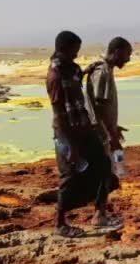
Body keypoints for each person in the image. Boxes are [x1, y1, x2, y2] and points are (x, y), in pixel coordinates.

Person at [46, 30, 121, 238]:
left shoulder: (72, 69)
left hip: (83, 127)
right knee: (69, 177)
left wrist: (88, 69)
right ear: (63, 49)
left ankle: (98, 214)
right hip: (68, 133)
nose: (76, 54)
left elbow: (78, 79)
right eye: (74, 50)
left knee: (103, 165)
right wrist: (71, 145)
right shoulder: (55, 75)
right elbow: (59, 112)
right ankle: (60, 223)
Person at [84, 37, 132, 176]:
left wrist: (114, 127)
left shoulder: (106, 69)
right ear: (117, 52)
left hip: (104, 131)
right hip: (99, 132)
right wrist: (112, 136)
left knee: (109, 171)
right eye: (127, 54)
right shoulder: (102, 71)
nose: (128, 59)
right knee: (104, 173)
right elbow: (99, 106)